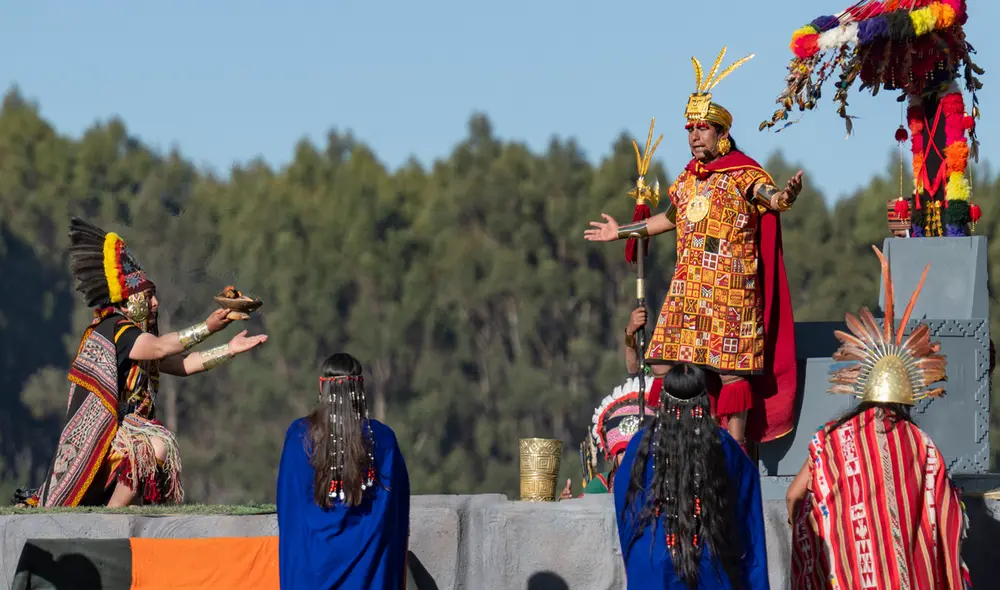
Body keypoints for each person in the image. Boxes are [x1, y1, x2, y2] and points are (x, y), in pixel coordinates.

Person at [586, 47, 800, 450]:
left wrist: (784, 197)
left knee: (731, 376)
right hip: (689, 288)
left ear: (722, 134)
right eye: (690, 129)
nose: (694, 136)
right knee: (663, 362)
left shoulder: (743, 173)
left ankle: (734, 458)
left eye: (702, 128)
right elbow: (667, 219)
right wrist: (620, 232)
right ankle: (676, 444)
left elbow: (770, 198)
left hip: (731, 289)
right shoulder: (686, 181)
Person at [20, 218, 266, 508]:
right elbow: (161, 348)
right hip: (109, 437)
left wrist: (230, 348)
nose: (155, 304)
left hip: (128, 435)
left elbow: (183, 365)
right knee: (155, 446)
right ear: (125, 303)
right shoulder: (117, 329)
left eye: (154, 296)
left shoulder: (139, 335)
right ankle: (111, 519)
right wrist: (209, 326)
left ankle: (124, 517)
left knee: (150, 451)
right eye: (147, 297)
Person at [788, 246, 970, 589]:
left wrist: (807, 534)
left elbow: (794, 496)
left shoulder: (831, 439)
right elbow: (947, 514)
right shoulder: (922, 445)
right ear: (908, 397)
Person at [615, 363, 768, 589]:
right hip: (710, 561)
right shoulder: (723, 444)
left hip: (651, 562)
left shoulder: (642, 444)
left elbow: (625, 508)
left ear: (663, 400)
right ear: (704, 400)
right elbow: (747, 512)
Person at [277, 353, 410, 590]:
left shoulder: (300, 436)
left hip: (311, 571)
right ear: (360, 388)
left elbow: (289, 509)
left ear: (322, 386)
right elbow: (395, 511)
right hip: (370, 572)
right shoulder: (382, 438)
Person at [561, 376, 656, 498]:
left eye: (636, 450)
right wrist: (565, 503)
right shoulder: (599, 486)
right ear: (614, 456)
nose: (630, 457)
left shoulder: (665, 485)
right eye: (622, 452)